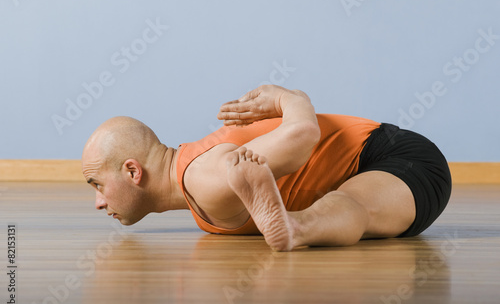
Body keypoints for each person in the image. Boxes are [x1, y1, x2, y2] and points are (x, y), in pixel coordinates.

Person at [81, 85, 452, 251]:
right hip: (355, 172)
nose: (99, 202)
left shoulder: (201, 176)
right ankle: (296, 228)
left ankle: (297, 228)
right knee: (349, 204)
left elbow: (304, 133)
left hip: (401, 159)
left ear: (133, 171)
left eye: (97, 184)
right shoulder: (198, 185)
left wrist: (291, 97)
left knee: (354, 204)